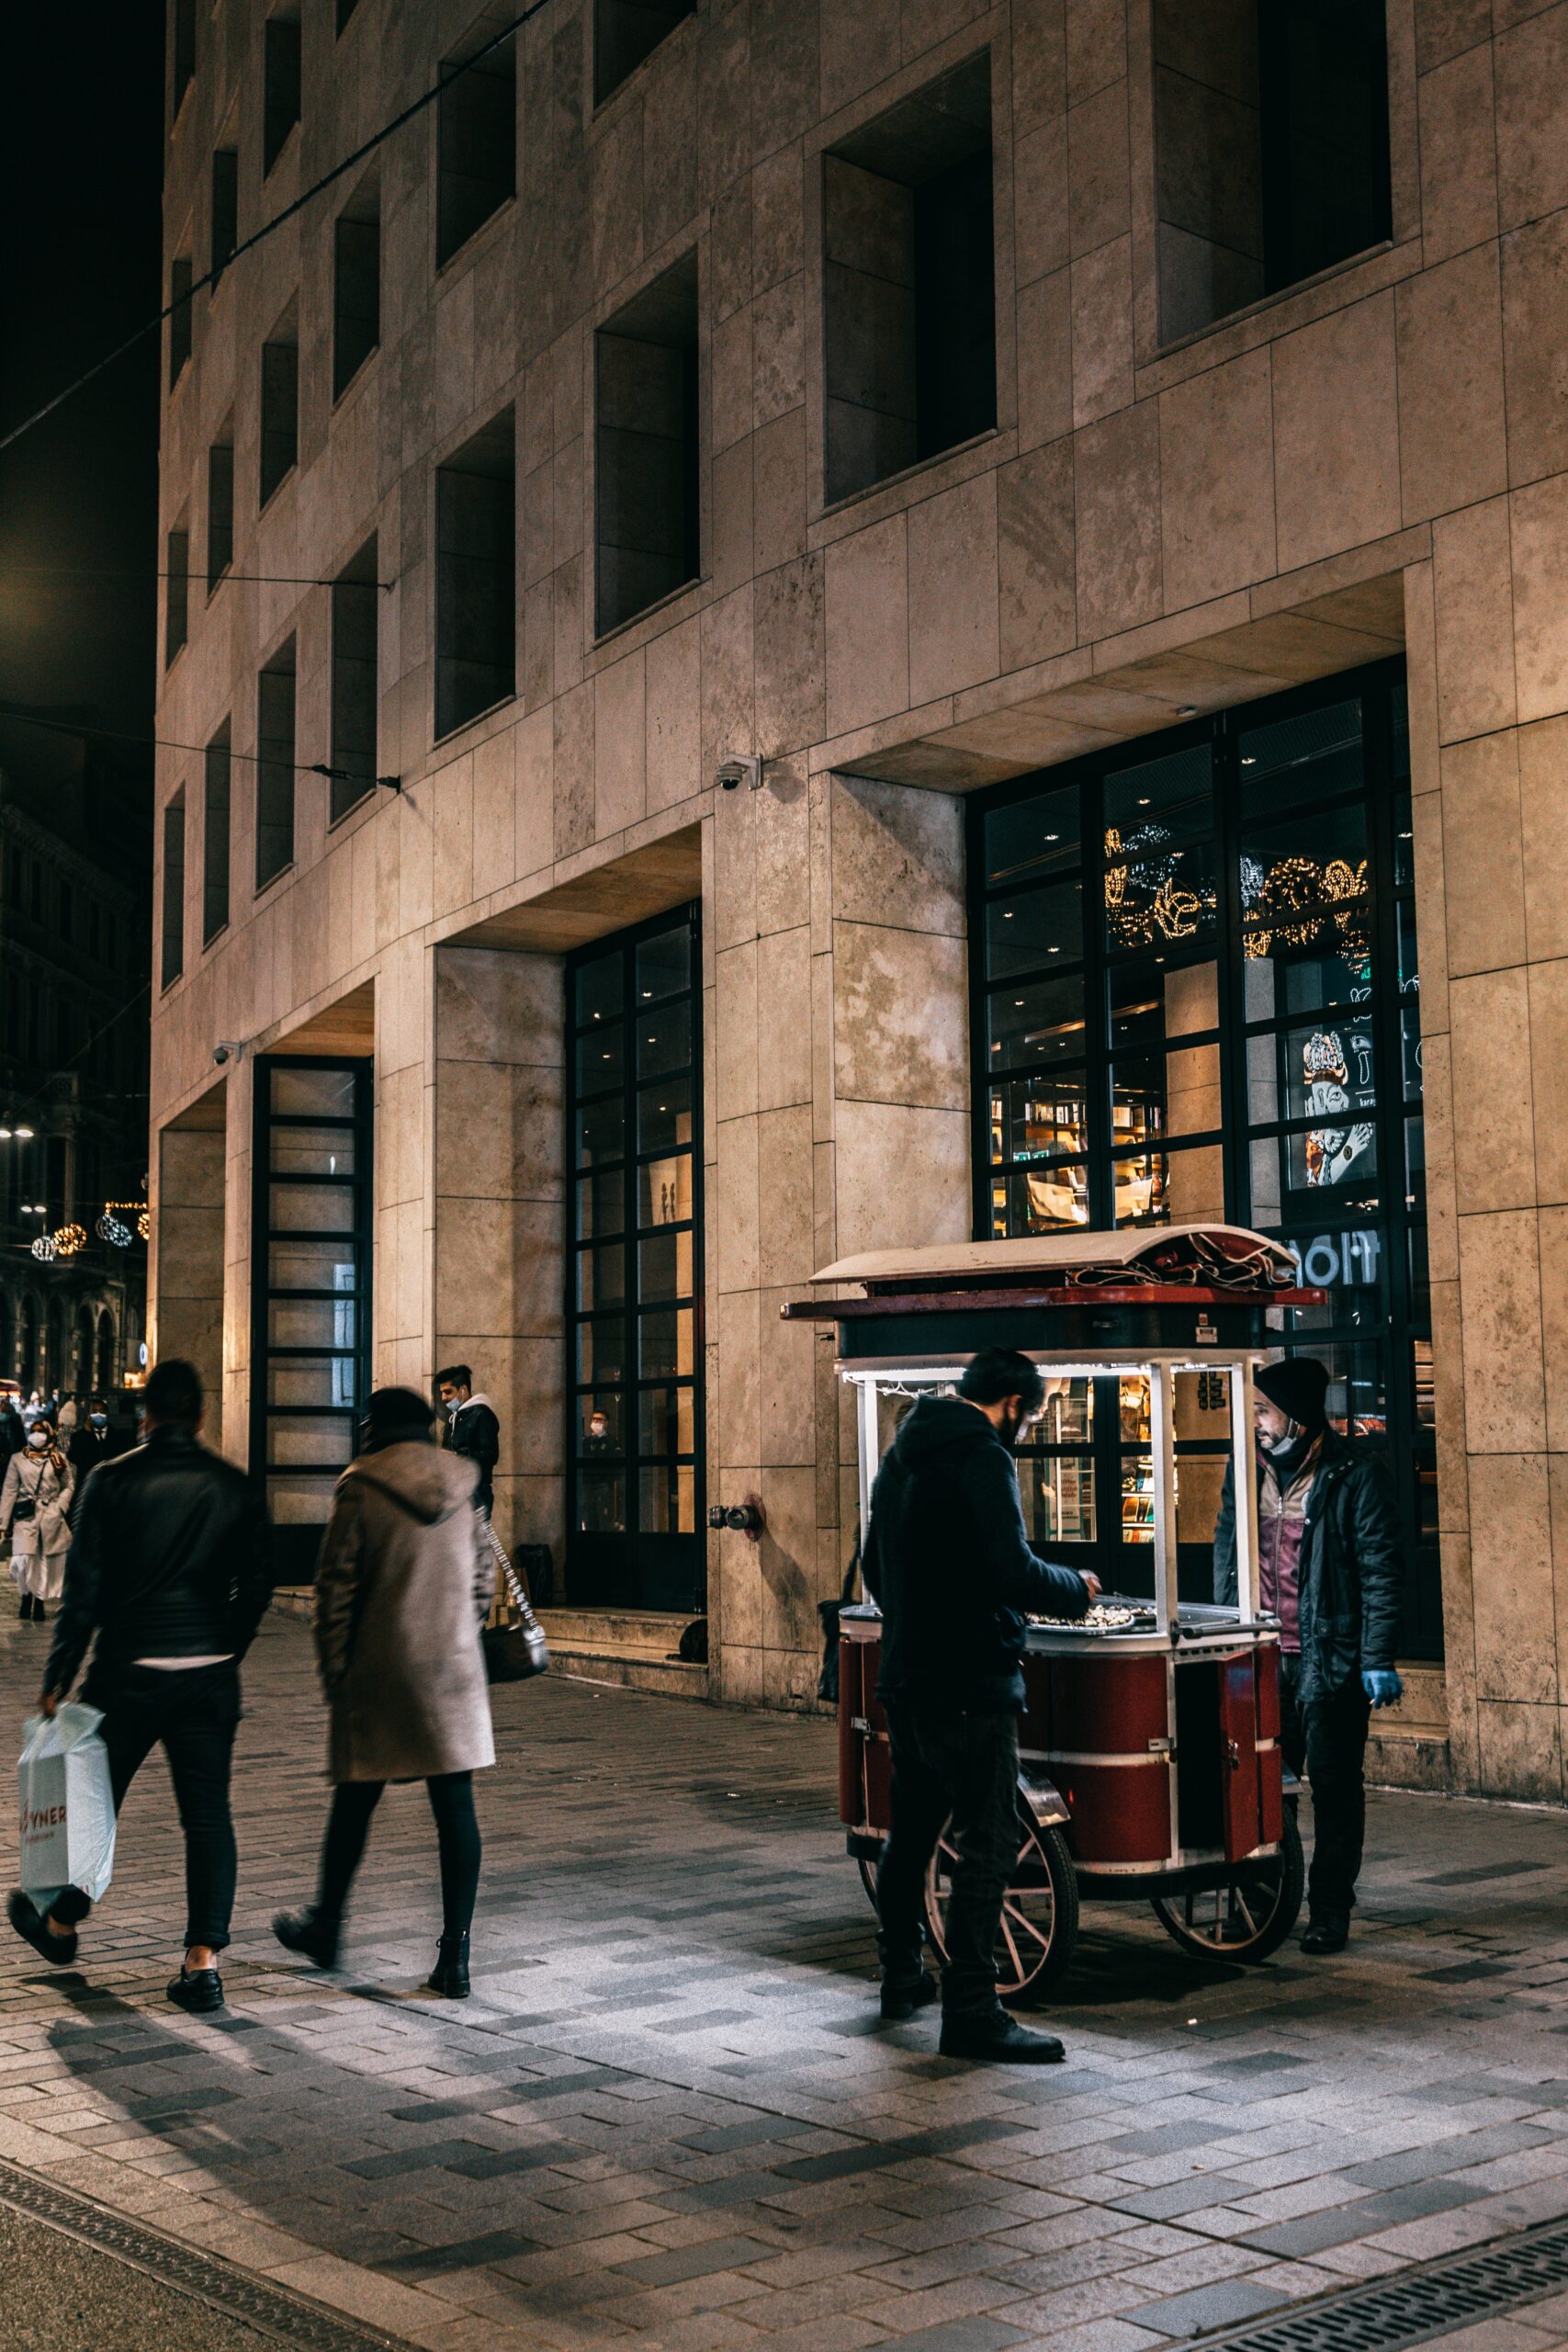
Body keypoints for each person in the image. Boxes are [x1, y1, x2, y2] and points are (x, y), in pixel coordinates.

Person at [6, 1358, 274, 2013]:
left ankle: (61, 1920)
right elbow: (258, 1585)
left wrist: (57, 1678)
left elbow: (85, 1592)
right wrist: (225, 1647)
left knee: (93, 1801)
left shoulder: (111, 1480)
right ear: (201, 1415)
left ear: (145, 1415)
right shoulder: (233, 1484)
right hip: (207, 1676)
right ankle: (202, 1961)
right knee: (208, 1815)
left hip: (126, 1671)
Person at [862, 1348, 1100, 2064]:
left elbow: (873, 1563)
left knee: (911, 1832)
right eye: (1033, 1411)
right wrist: (1076, 1588)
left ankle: (900, 1972)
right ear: (1013, 1405)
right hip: (968, 1683)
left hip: (906, 1678)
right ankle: (972, 2008)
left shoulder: (904, 1453)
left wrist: (917, 1615)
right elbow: (1011, 1569)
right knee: (987, 1844)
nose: (1030, 1424)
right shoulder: (982, 1456)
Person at [273, 1385, 495, 1997]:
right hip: (452, 1667)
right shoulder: (462, 1478)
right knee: (455, 1808)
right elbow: (483, 1575)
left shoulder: (361, 1485)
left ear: (374, 1428)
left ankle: (327, 1924)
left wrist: (333, 1671)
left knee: (355, 1799)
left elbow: (335, 1590)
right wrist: (460, 1630)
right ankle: (454, 1957)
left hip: (379, 1668)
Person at [1214, 1355, 1404, 1956]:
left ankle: (1328, 1910)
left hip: (1330, 1661)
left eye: (1263, 1411)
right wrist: (1226, 1630)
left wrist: (1375, 1657)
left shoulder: (1352, 1475)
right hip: (1261, 1658)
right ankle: (1260, 1906)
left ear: (1294, 1415)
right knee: (1261, 1788)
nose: (1257, 1423)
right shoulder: (1246, 1472)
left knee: (1332, 1787)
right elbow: (1226, 1550)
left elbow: (1380, 1572)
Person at [1, 1415, 74, 1621]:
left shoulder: (58, 1459)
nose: (37, 1435)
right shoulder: (18, 1459)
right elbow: (9, 1489)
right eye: (33, 1431)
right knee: (23, 1560)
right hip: (26, 1516)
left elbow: (68, 1485)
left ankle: (39, 1602)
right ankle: (26, 1596)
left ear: (49, 1435)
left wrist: (59, 1506)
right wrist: (3, 1522)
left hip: (50, 1516)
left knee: (43, 1561)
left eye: (41, 1431)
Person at [435, 1365, 499, 1518]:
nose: (444, 1398)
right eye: (441, 1393)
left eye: (448, 1392)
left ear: (463, 1390)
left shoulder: (481, 1414)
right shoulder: (455, 1419)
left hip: (476, 1491)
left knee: (480, 1538)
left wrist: (456, 1456)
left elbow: (490, 1455)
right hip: (457, 1490)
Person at [68, 1395, 130, 1512]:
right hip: (86, 1492)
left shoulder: (119, 1437)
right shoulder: (78, 1437)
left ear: (107, 1414)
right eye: (95, 1412)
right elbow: (73, 1457)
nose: (98, 1415)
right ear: (89, 1415)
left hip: (111, 1493)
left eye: (101, 1411)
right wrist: (86, 1433)